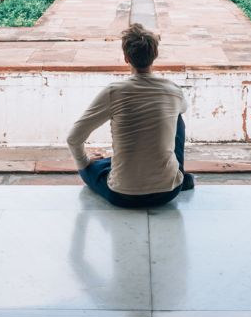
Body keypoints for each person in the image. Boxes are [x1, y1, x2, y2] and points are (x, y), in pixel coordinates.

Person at [66, 23, 195, 208]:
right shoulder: (173, 91)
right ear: (155, 55)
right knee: (178, 117)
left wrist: (85, 163)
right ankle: (179, 174)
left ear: (126, 58)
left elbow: (73, 138)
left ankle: (105, 165)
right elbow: (182, 110)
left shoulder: (114, 92)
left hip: (122, 195)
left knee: (93, 167)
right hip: (169, 191)